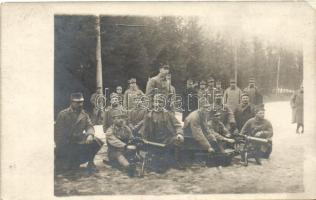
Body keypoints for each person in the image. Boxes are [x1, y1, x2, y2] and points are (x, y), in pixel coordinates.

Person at [55, 92, 103, 172]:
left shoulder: (84, 114)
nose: (80, 104)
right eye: (77, 102)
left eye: (81, 102)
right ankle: (67, 161)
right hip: (66, 143)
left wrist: (90, 135)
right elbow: (57, 133)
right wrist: (61, 147)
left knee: (96, 141)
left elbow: (89, 126)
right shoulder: (63, 114)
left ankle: (91, 163)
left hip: (78, 140)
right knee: (65, 169)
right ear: (72, 102)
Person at [141, 96, 184, 171]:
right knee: (158, 165)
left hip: (167, 139)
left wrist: (179, 134)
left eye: (160, 102)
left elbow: (178, 125)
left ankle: (175, 162)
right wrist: (144, 140)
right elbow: (144, 130)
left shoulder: (169, 114)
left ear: (163, 104)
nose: (157, 104)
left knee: (177, 140)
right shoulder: (149, 115)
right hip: (154, 141)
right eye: (156, 102)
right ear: (153, 103)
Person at [105, 109, 137, 176]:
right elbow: (115, 141)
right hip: (113, 152)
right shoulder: (110, 131)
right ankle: (128, 168)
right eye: (118, 118)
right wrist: (126, 146)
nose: (121, 120)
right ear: (113, 120)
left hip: (125, 150)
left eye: (122, 118)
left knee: (135, 150)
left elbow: (131, 137)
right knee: (118, 154)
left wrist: (135, 141)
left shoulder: (126, 128)